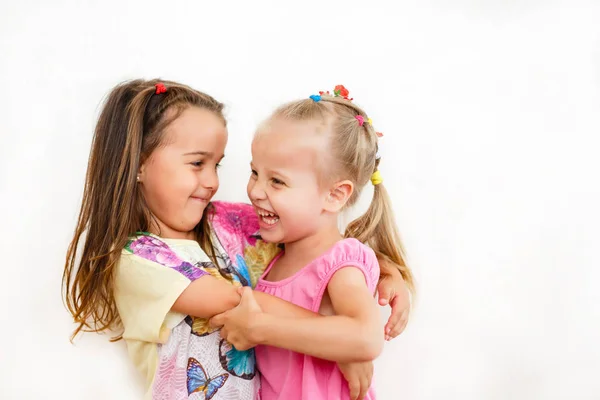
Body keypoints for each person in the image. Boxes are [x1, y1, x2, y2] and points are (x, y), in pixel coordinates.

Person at [63, 80, 411, 400]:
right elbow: (235, 301)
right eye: (198, 163)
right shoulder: (139, 258)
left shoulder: (225, 223)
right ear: (138, 164)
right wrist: (339, 340)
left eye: (218, 165)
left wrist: (382, 270)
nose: (213, 181)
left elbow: (310, 238)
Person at [213, 86, 415, 400]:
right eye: (255, 172)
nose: (255, 190)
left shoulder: (340, 263)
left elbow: (365, 337)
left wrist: (260, 327)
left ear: (334, 195)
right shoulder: (272, 255)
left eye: (277, 181)